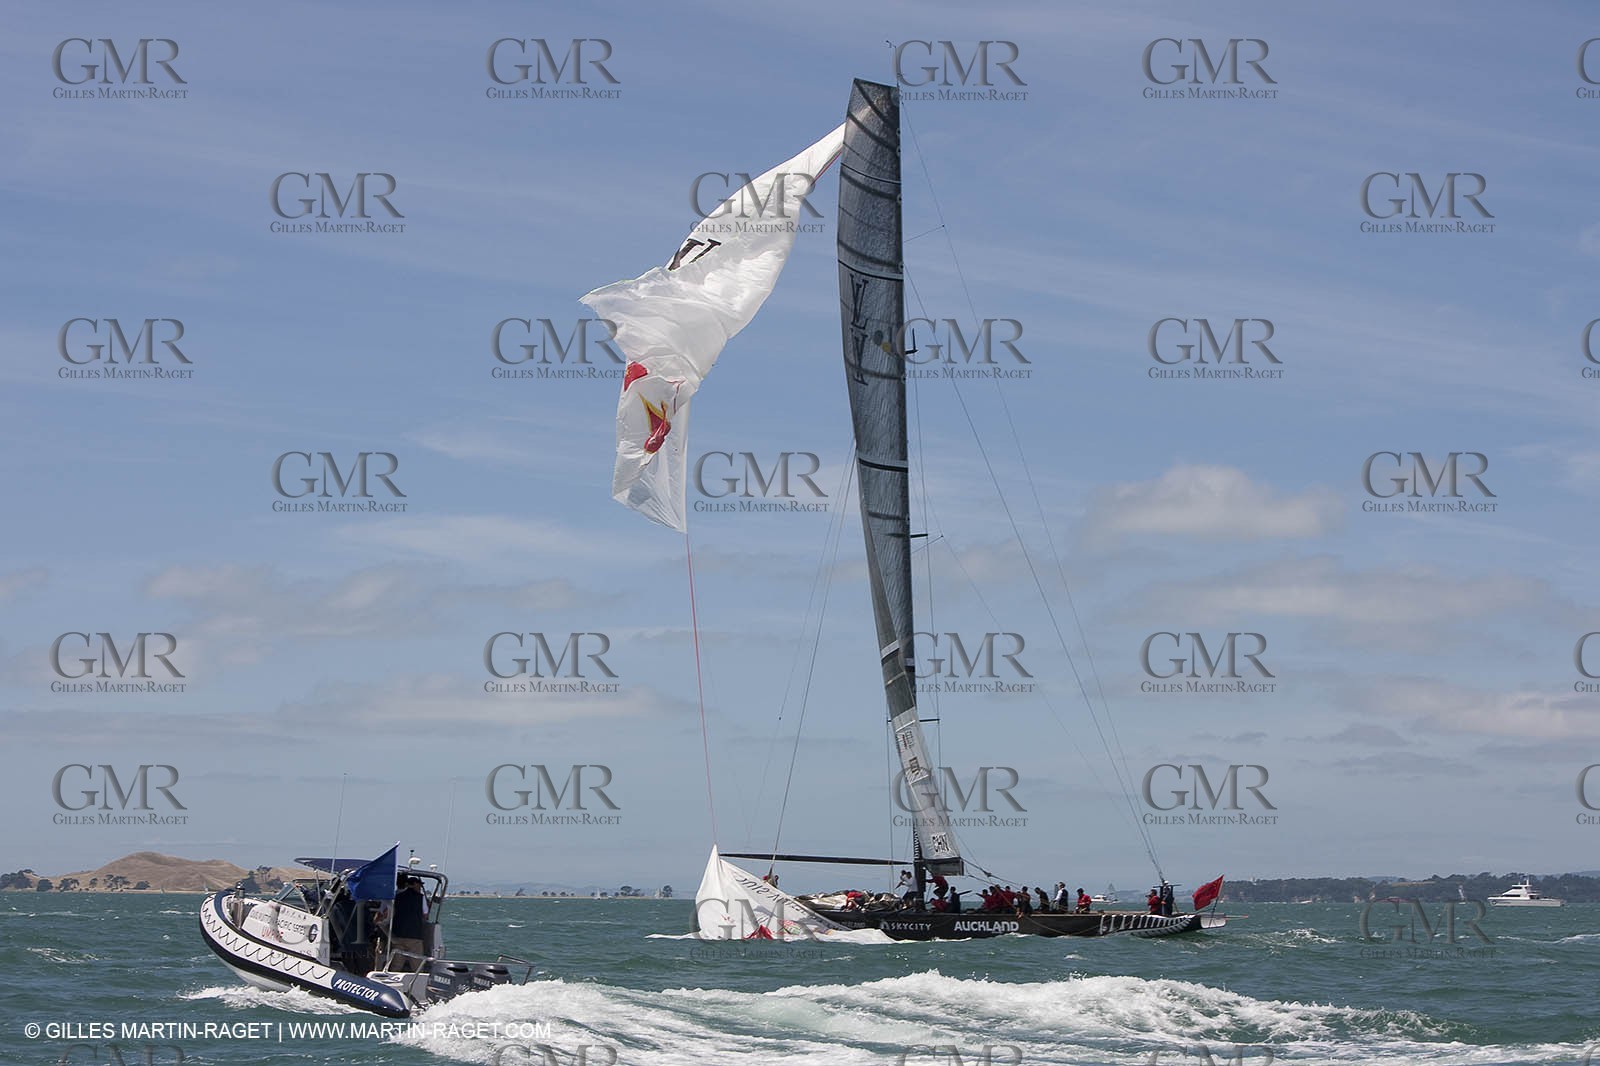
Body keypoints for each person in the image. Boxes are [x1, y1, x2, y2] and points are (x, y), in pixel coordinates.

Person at [389, 876, 428, 972]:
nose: (420, 887)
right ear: (415, 884)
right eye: (419, 885)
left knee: (396, 964)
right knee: (417, 965)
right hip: (414, 936)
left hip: (398, 935)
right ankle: (418, 983)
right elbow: (425, 914)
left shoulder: (397, 897)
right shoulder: (421, 898)